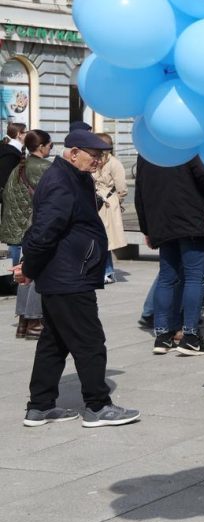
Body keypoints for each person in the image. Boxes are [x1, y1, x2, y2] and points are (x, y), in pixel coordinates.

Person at [19, 129, 140, 428]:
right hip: (68, 275)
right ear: (73, 153)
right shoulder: (61, 181)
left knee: (54, 341)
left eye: (102, 156)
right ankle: (97, 406)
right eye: (94, 155)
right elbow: (44, 231)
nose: (98, 161)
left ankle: (40, 406)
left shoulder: (74, 177)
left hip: (68, 271)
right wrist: (29, 267)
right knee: (90, 341)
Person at [135, 156, 204, 356]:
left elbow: (140, 188)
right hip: (191, 218)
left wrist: (147, 227)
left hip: (162, 220)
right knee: (194, 278)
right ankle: (190, 335)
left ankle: (163, 335)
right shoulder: (188, 143)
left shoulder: (148, 149)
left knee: (167, 277)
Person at [2, 129, 51, 339]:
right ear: (41, 147)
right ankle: (34, 321)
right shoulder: (45, 168)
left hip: (22, 229)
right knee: (38, 273)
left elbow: (8, 197)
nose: (51, 148)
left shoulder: (19, 167)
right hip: (37, 228)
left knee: (25, 273)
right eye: (50, 145)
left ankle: (23, 320)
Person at [92, 133, 127, 285]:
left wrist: (116, 202)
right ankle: (106, 271)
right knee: (101, 238)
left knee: (105, 238)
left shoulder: (113, 163)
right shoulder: (98, 160)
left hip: (106, 202)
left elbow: (122, 188)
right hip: (96, 200)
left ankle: (107, 271)